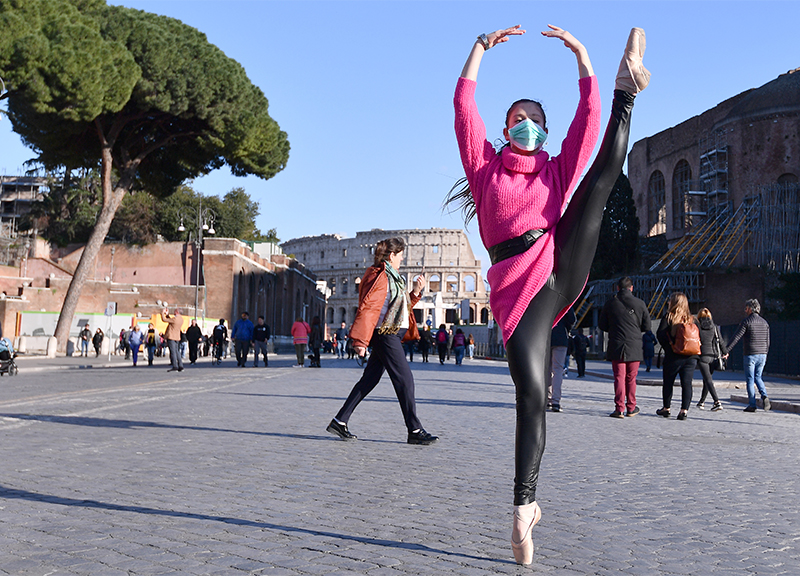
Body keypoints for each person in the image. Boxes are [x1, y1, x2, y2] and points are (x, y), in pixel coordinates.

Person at [451, 23, 649, 565]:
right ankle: (523, 509)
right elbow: (464, 108)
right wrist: (478, 51)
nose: (528, 127)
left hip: (558, 261)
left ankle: (625, 87)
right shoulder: (485, 168)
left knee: (605, 171)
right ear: (506, 126)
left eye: (537, 121)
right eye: (519, 119)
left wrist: (584, 59)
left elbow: (587, 128)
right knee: (532, 396)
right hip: (516, 292)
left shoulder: (556, 170)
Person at [326, 237, 438, 445]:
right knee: (405, 379)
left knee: (369, 380)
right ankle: (414, 429)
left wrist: (415, 292)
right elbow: (367, 307)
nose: (402, 259)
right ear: (392, 255)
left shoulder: (394, 278)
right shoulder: (379, 276)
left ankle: (339, 421)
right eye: (401, 255)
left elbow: (401, 308)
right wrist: (360, 340)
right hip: (385, 334)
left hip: (391, 333)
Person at [598, 277, 651, 418]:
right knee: (631, 378)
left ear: (617, 288)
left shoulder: (610, 303)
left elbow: (602, 325)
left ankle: (619, 408)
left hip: (617, 344)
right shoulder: (640, 304)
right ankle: (631, 407)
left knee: (619, 377)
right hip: (634, 345)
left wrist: (615, 328)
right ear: (631, 288)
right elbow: (647, 326)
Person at [655, 293, 699, 420]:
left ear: (674, 303)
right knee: (687, 383)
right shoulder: (692, 319)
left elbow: (660, 335)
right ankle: (684, 411)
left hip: (673, 356)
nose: (668, 302)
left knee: (668, 382)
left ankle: (666, 408)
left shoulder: (669, 317)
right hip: (690, 357)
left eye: (670, 301)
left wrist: (670, 347)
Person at [726, 298, 771, 412]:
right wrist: (765, 351)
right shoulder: (765, 323)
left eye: (746, 308)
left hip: (750, 353)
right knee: (758, 377)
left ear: (750, 309)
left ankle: (752, 404)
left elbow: (736, 337)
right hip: (763, 354)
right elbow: (767, 340)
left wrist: (726, 350)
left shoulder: (747, 322)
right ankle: (764, 395)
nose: (745, 310)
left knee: (750, 380)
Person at [694, 308, 727, 411]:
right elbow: (720, 341)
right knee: (707, 380)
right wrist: (725, 352)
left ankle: (717, 402)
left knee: (708, 380)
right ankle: (702, 402)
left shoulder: (697, 327)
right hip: (713, 356)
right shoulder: (714, 327)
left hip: (703, 356)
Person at [547, 309, 575, 412]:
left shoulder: (544, 298)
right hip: (561, 338)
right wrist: (566, 329)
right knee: (558, 370)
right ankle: (556, 401)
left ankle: (547, 399)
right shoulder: (565, 299)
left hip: (546, 337)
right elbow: (572, 319)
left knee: (547, 369)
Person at [160, 307, 184, 372]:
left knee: (173, 352)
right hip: (177, 337)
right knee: (177, 352)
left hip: (171, 337)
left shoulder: (175, 319)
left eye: (175, 311)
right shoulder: (181, 319)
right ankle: (181, 365)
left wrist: (162, 312)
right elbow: (171, 320)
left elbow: (164, 319)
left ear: (177, 312)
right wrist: (167, 314)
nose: (174, 312)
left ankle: (175, 366)